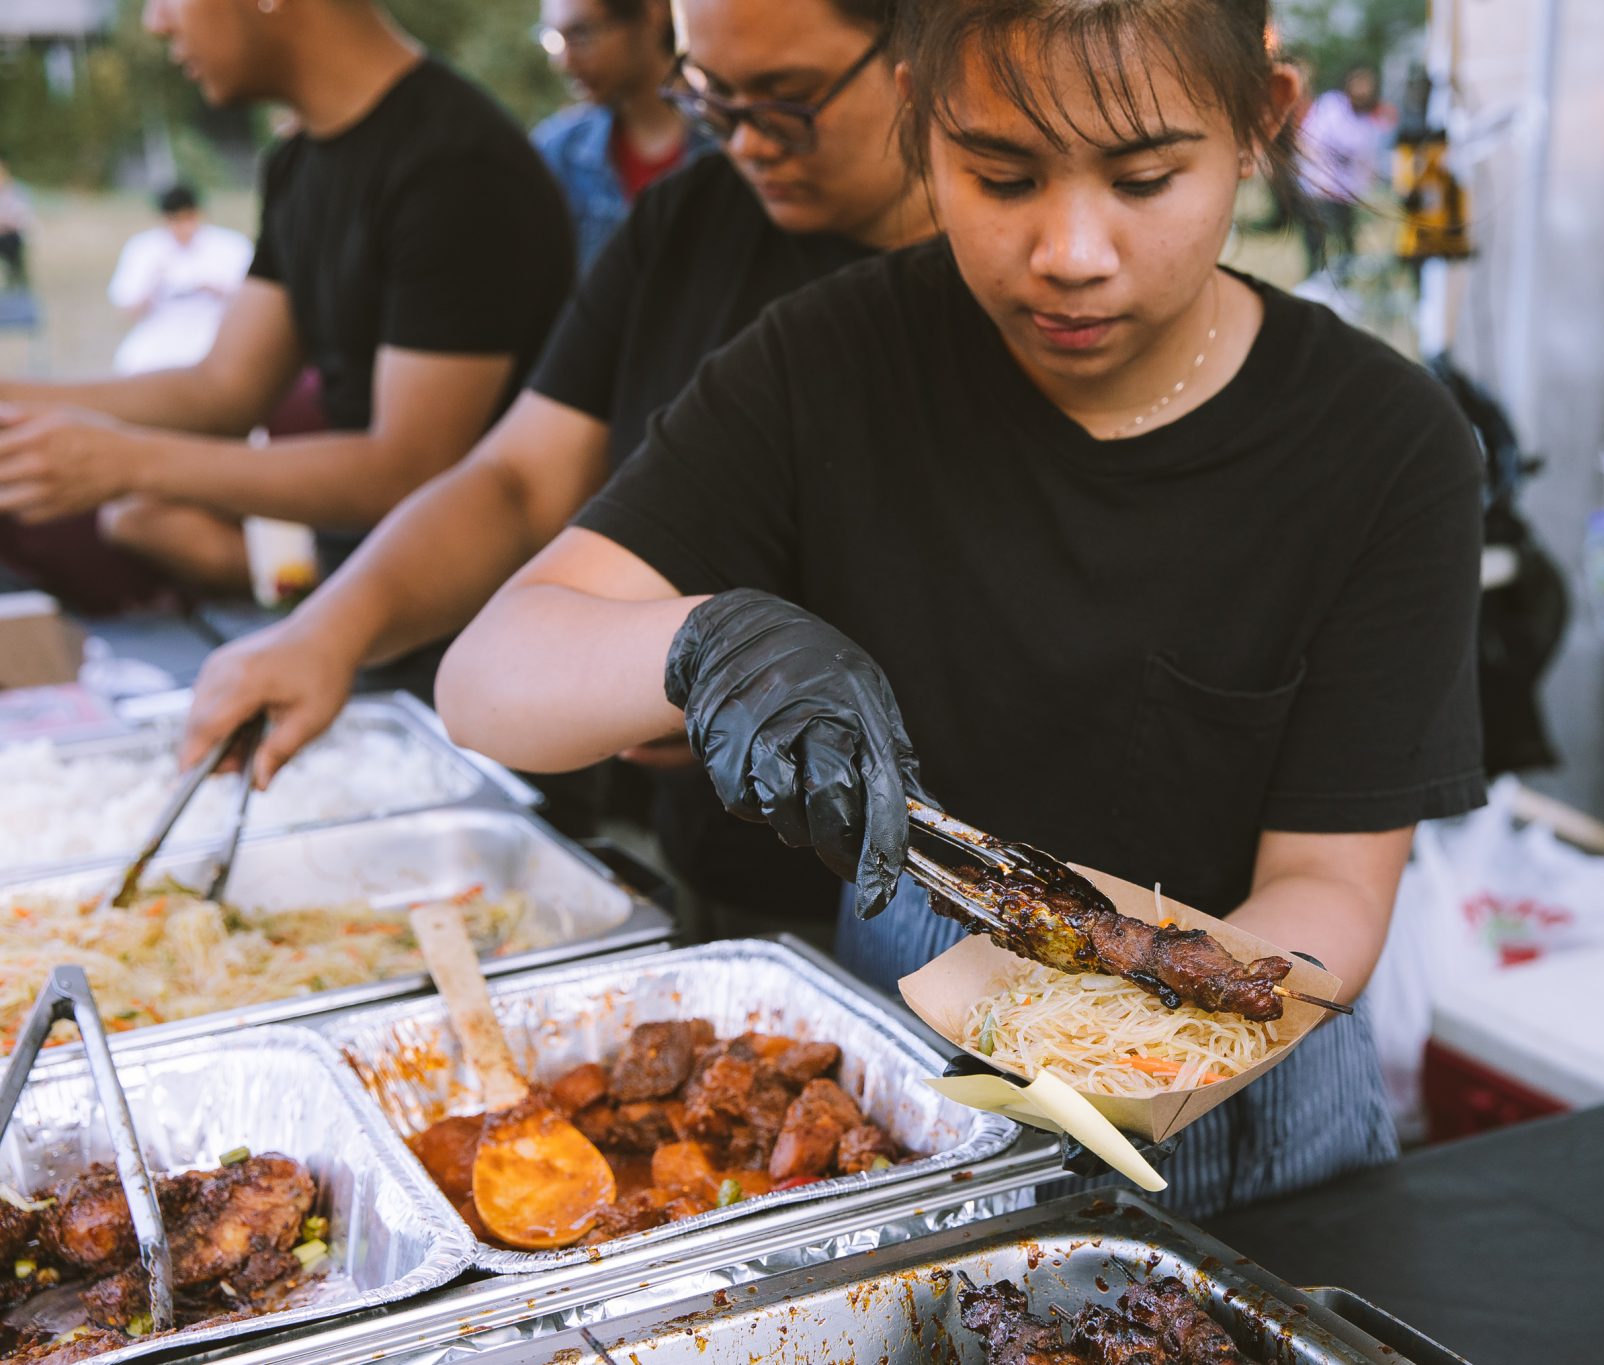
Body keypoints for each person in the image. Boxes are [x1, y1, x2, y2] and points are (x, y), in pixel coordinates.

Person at [435, 0, 1486, 1217]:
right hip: (905, 1085)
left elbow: (1329, 883)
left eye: (1144, 179)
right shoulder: (828, 360)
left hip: (1248, 1128)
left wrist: (1114, 1062)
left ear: (1260, 124)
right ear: (919, 130)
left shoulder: (1384, 446)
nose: (1071, 251)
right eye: (1000, 176)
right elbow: (489, 678)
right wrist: (700, 642)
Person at [179, 0, 930, 926]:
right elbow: (519, 479)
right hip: (739, 875)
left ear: (916, 52)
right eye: (710, 98)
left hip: (963, 881)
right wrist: (327, 633)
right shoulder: (690, 227)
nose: (744, 143)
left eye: (786, 100)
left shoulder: (1027, 298)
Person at [0, 0, 574, 606]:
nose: (156, 22)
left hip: (472, 613)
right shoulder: (299, 163)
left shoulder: (456, 168)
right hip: (364, 587)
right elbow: (223, 388)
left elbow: (409, 468)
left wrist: (132, 462)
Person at [532, 0, 708, 271]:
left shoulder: (733, 141)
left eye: (581, 33)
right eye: (554, 39)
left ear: (653, 12)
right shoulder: (557, 154)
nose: (563, 62)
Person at [108, 183, 254, 376]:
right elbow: (127, 307)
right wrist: (153, 284)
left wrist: (212, 288)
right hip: (161, 329)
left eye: (187, 218)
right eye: (174, 220)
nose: (181, 227)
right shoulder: (143, 248)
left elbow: (252, 301)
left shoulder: (231, 246)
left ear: (198, 214)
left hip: (213, 326)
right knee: (131, 364)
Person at [1298, 67, 1394, 275]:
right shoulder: (1332, 107)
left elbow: (1367, 163)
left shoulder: (1369, 122)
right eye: (1359, 83)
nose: (1362, 90)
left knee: (1345, 243)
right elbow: (1309, 141)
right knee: (1316, 243)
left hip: (1345, 195)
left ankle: (1341, 282)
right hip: (1319, 190)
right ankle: (1314, 278)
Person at [0, 161, 32, 291]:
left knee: (15, 262)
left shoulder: (16, 190)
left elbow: (22, 215)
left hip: (12, 235)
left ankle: (18, 283)